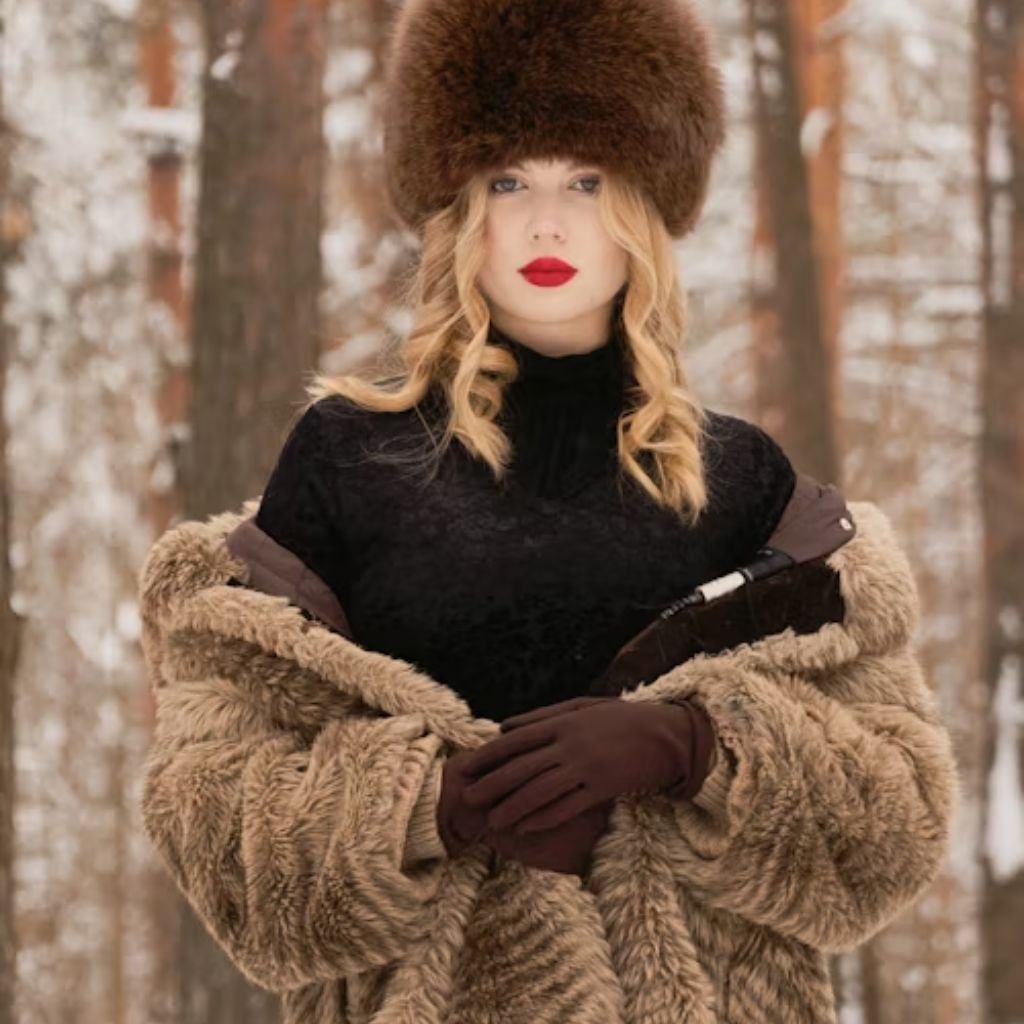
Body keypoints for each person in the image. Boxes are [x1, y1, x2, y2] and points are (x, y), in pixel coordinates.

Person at [137, 0, 960, 1021]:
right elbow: (209, 806)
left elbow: (896, 823)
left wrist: (692, 749)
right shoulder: (348, 459)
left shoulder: (746, 480)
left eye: (586, 180)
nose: (546, 223)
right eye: (507, 181)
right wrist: (432, 807)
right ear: (457, 205)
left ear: (644, 204)